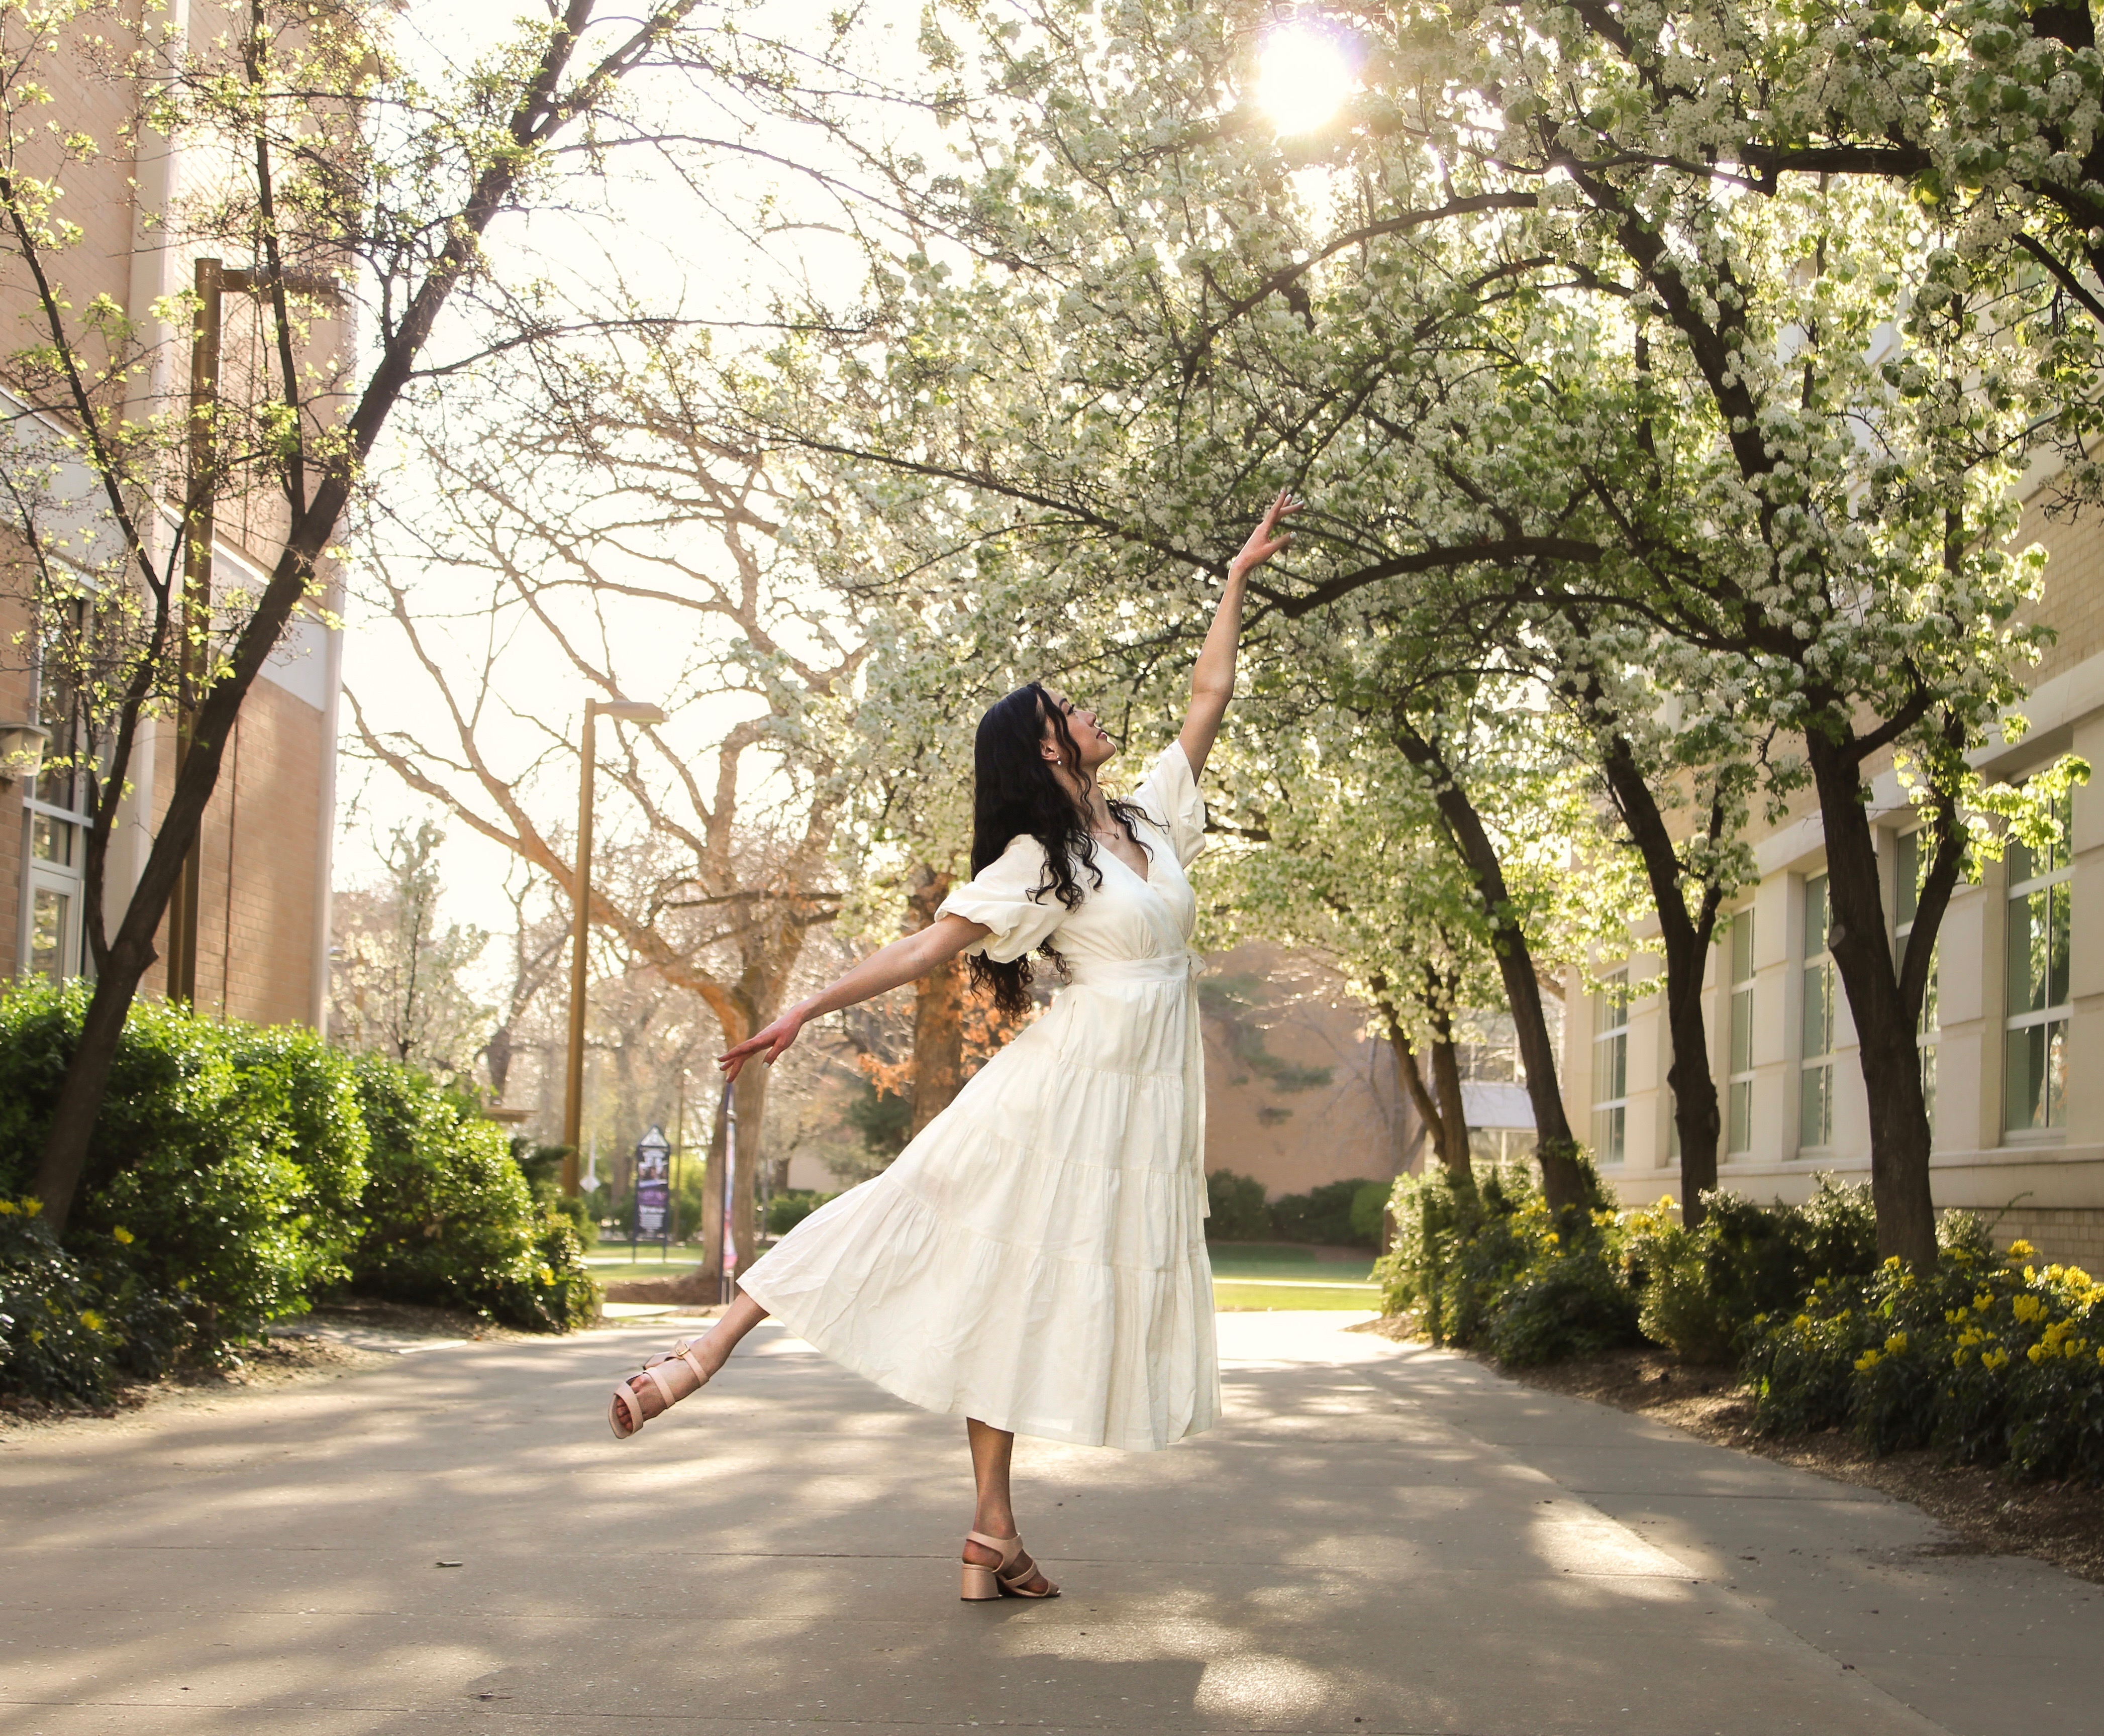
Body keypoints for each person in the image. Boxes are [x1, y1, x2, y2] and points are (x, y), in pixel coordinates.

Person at [606, 492, 1303, 1601]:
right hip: (1068, 1087)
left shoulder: (1151, 820)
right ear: (1043, 744)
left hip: (1137, 1106)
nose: (1090, 712)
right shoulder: (1041, 857)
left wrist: (1236, 580)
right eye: (1070, 708)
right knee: (917, 1205)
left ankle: (993, 1530)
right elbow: (926, 948)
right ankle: (706, 1351)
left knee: (1014, 1286)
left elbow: (1210, 695)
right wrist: (806, 1009)